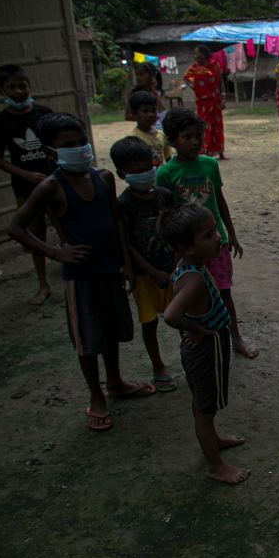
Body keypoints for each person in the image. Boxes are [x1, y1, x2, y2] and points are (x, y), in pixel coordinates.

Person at [8, 113, 155, 432]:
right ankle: (96, 395)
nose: (78, 149)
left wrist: (126, 263)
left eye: (82, 142)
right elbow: (17, 228)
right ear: (51, 153)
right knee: (87, 340)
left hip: (109, 270)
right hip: (81, 278)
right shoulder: (49, 187)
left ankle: (115, 381)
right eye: (68, 145)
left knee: (111, 330)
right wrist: (56, 253)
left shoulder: (102, 177)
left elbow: (116, 221)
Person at [158, 203, 250, 484]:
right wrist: (197, 328)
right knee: (204, 409)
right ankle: (215, 465)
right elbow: (171, 315)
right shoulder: (195, 278)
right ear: (187, 248)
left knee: (203, 404)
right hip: (207, 347)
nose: (217, 238)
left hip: (204, 346)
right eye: (209, 235)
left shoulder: (187, 265)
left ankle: (214, 440)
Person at [157, 109, 259, 359]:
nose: (194, 141)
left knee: (224, 292)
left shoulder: (210, 164)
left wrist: (231, 234)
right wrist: (174, 257)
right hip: (189, 250)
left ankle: (235, 337)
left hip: (217, 244)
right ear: (172, 141)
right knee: (190, 295)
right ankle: (194, 333)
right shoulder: (166, 173)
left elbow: (219, 200)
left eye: (198, 136)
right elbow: (167, 216)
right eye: (187, 137)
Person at [110, 136, 178, 393]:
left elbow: (175, 232)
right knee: (149, 323)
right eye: (136, 171)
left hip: (171, 269)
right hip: (144, 276)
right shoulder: (123, 204)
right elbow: (126, 244)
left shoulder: (164, 196)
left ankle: (190, 356)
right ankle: (158, 366)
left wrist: (174, 266)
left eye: (147, 167)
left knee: (182, 315)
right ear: (122, 173)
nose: (145, 174)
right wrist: (151, 271)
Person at [0, 64, 57, 305]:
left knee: (66, 227)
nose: (19, 91)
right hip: (26, 188)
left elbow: (57, 145)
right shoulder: (0, 122)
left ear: (30, 86)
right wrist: (26, 175)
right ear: (1, 90)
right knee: (35, 236)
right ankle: (43, 284)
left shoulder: (43, 113)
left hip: (53, 183)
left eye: (23, 85)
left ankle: (73, 274)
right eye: (12, 87)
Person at [183, 45, 228, 161]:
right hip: (202, 103)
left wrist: (223, 97)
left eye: (196, 53)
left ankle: (220, 152)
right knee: (204, 127)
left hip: (215, 101)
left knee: (217, 126)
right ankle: (206, 152)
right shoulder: (194, 68)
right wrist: (194, 87)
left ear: (203, 55)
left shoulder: (215, 66)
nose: (195, 56)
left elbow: (220, 82)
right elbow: (186, 78)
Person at [127, 91, 173, 167]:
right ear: (134, 114)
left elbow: (168, 158)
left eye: (153, 110)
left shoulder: (161, 134)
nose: (151, 114)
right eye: (145, 111)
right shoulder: (133, 138)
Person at [124, 62, 167, 130]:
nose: (138, 78)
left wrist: (154, 92)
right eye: (137, 75)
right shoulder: (134, 94)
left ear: (150, 76)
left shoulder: (158, 92)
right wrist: (145, 119)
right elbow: (127, 116)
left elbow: (163, 114)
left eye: (141, 74)